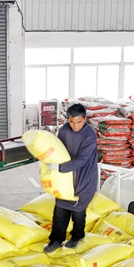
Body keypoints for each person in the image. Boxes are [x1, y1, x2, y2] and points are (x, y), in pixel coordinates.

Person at [44, 103, 99, 253]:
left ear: (85, 119)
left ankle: (77, 236)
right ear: (68, 119)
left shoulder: (89, 135)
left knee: (78, 211)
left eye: (79, 122)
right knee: (60, 209)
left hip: (84, 177)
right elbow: (59, 149)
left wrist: (59, 167)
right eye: (72, 122)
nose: (75, 126)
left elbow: (82, 160)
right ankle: (56, 240)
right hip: (66, 178)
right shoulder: (64, 130)